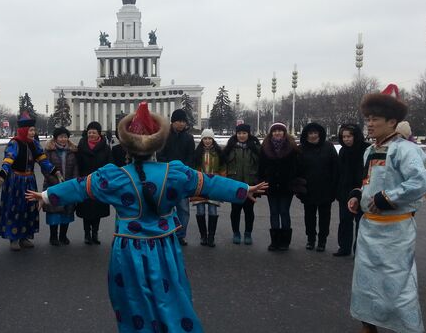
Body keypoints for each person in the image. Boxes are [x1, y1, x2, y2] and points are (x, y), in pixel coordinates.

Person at [26, 102, 267, 333]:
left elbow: (79, 187)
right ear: (157, 146)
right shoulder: (174, 173)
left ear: (127, 148)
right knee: (171, 296)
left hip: (129, 248)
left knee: (133, 302)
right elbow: (209, 183)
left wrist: (46, 196)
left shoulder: (114, 177)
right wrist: (244, 190)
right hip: (165, 245)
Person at [348, 86, 426, 333]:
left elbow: (419, 182)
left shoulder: (407, 149)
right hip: (369, 228)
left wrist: (388, 198)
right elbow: (369, 182)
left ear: (392, 122)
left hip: (396, 230)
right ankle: (368, 325)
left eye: (375, 120)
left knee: (397, 283)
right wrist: (357, 195)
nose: (369, 124)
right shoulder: (369, 151)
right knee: (365, 282)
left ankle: (407, 328)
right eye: (368, 119)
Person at [0, 111, 58, 251]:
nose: (33, 132)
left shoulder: (34, 144)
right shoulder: (14, 143)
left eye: (34, 130)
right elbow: (7, 162)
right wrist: (0, 178)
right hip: (15, 181)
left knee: (29, 208)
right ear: (23, 130)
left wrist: (55, 171)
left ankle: (25, 236)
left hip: (29, 180)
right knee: (14, 208)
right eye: (31, 130)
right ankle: (13, 238)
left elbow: (43, 160)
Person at [297, 122, 338, 252]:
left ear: (320, 134)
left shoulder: (329, 147)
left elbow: (335, 168)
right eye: (310, 133)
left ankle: (322, 240)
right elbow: (297, 170)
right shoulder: (301, 149)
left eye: (315, 133)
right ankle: (311, 239)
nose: (313, 135)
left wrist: (334, 187)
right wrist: (299, 187)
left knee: (324, 217)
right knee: (309, 216)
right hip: (308, 188)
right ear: (306, 135)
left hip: (326, 188)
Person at [156, 109, 195, 246]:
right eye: (178, 121)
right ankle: (166, 233)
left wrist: (184, 170)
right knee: (166, 208)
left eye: (183, 121)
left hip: (183, 178)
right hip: (167, 177)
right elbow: (160, 156)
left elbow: (191, 156)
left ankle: (180, 235)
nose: (181, 124)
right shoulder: (165, 136)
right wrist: (170, 169)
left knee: (183, 209)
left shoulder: (189, 138)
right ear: (172, 122)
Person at [258, 123, 299, 251]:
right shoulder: (265, 147)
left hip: (286, 186)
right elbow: (261, 167)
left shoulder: (292, 147)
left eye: (280, 131)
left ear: (284, 132)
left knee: (284, 212)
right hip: (271, 185)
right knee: (274, 212)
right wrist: (262, 181)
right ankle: (275, 241)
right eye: (275, 131)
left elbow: (296, 167)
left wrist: (293, 181)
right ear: (271, 133)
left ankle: (285, 242)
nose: (277, 133)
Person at [333, 124, 369, 257]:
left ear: (356, 136)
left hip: (361, 190)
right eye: (344, 136)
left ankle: (359, 250)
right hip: (344, 192)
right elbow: (339, 172)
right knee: (344, 221)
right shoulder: (342, 151)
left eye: (349, 136)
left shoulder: (366, 149)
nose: (346, 139)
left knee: (361, 222)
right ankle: (344, 247)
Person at [224, 123, 261, 246]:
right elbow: (224, 165)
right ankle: (236, 233)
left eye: (244, 133)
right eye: (239, 133)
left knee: (249, 210)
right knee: (235, 210)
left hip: (251, 185)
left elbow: (260, 166)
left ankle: (248, 233)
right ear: (236, 133)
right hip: (235, 185)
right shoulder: (230, 148)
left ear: (248, 134)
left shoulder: (255, 148)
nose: (241, 135)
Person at [76, 121, 111, 245]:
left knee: (97, 210)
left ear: (99, 133)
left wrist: (106, 180)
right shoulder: (81, 147)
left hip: (99, 183)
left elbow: (109, 165)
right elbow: (77, 165)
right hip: (85, 182)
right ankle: (87, 234)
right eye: (89, 132)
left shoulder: (106, 148)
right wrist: (78, 179)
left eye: (94, 132)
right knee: (86, 210)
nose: (91, 134)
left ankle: (95, 233)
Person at [43, 127, 78, 246]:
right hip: (53, 185)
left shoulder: (72, 150)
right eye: (61, 137)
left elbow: (75, 168)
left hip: (68, 185)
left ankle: (63, 235)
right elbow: (45, 169)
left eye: (65, 136)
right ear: (56, 138)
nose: (63, 139)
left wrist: (73, 182)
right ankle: (53, 236)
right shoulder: (49, 151)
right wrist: (55, 182)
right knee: (54, 210)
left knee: (67, 210)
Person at [190, 128, 225, 247]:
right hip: (199, 185)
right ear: (202, 140)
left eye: (209, 138)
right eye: (205, 138)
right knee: (200, 211)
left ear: (213, 139)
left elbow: (223, 168)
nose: (207, 141)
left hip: (214, 185)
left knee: (212, 210)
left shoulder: (219, 153)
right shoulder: (196, 153)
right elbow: (192, 169)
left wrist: (221, 180)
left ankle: (211, 237)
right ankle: (203, 236)